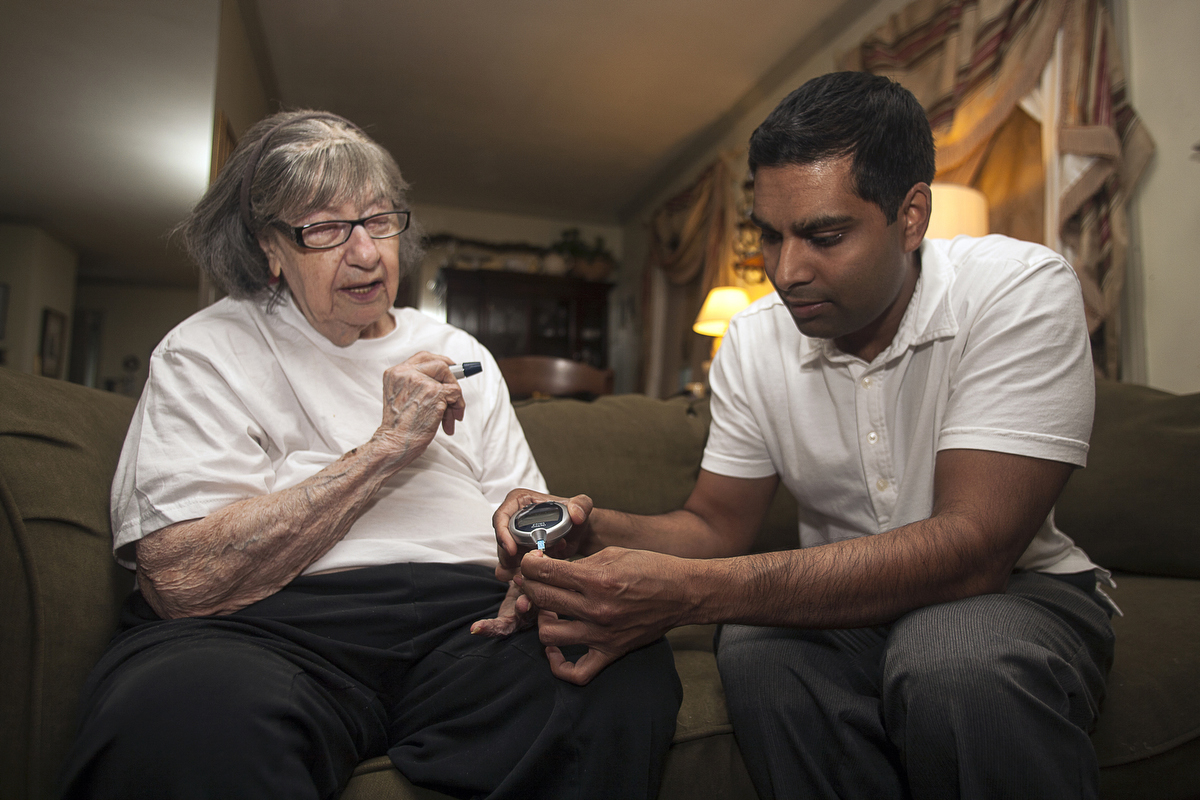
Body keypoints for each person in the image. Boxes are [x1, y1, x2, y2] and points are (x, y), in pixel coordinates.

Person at [495, 72, 1116, 799]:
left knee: (950, 656)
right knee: (758, 650)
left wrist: (692, 593)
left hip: (1023, 588)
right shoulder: (754, 343)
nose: (786, 272)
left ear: (911, 216)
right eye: (769, 235)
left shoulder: (1019, 289)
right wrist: (593, 529)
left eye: (824, 235)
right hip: (849, 610)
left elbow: (975, 549)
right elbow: (715, 524)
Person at [59, 110, 680, 800]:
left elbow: (520, 506)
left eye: (379, 221)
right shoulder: (208, 349)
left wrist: (535, 555)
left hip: (465, 620)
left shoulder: (461, 349)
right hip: (273, 627)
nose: (366, 253)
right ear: (270, 246)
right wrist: (387, 448)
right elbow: (180, 581)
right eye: (325, 228)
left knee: (614, 671)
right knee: (183, 712)